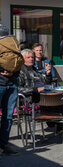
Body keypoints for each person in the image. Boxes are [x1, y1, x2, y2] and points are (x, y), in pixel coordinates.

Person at [0, 26, 20, 155]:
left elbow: (19, 62)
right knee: (7, 117)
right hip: (6, 84)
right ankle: (3, 145)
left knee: (8, 117)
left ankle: (3, 145)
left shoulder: (13, 47)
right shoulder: (13, 45)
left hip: (11, 84)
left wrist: (12, 73)